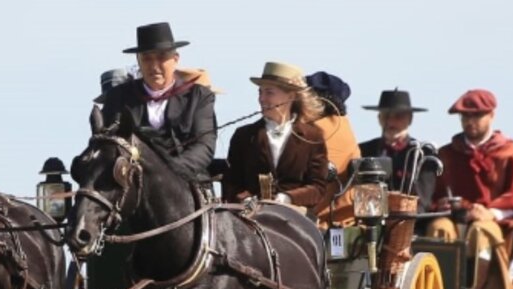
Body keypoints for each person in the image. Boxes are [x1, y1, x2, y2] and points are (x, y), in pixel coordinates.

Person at [427, 89, 513, 289]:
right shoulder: (447, 154)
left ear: (492, 116)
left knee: (482, 231)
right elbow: (432, 194)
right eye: (465, 116)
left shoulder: (511, 154)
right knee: (439, 228)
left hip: (497, 226)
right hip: (455, 220)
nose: (470, 121)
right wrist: (443, 204)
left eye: (477, 116)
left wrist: (492, 212)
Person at [97, 22, 217, 182]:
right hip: (132, 181)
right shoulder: (118, 97)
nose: (154, 66)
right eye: (147, 59)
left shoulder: (199, 96)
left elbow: (204, 145)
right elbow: (106, 143)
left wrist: (170, 171)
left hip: (185, 179)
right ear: (138, 61)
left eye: (161, 57)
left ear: (175, 59)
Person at [222, 61, 328, 211]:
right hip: (250, 216)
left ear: (290, 96)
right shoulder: (244, 136)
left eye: (269, 92)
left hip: (295, 216)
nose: (261, 98)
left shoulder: (312, 137)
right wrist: (246, 200)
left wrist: (287, 198)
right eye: (260, 92)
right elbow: (231, 182)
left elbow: (318, 188)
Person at [359, 88, 438, 213]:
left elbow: (423, 200)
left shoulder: (423, 154)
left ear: (410, 119)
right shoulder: (363, 151)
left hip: (411, 219)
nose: (391, 122)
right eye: (386, 116)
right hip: (371, 218)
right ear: (379, 118)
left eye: (398, 116)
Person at [303, 71, 362, 224]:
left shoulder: (317, 131)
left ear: (318, 102)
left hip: (319, 222)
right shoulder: (343, 126)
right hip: (344, 218)